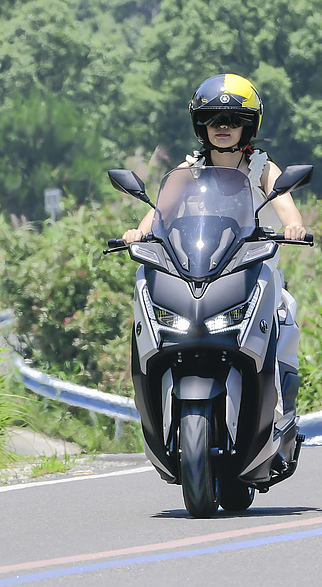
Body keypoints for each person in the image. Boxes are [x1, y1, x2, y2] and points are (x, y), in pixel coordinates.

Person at [123, 73, 307, 430]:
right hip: (199, 273)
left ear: (248, 126)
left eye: (233, 120)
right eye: (212, 119)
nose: (222, 127)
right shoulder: (188, 170)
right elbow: (158, 211)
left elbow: (288, 209)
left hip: (254, 274)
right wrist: (138, 233)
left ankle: (280, 418)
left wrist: (294, 227)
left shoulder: (263, 168)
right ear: (199, 125)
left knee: (285, 316)